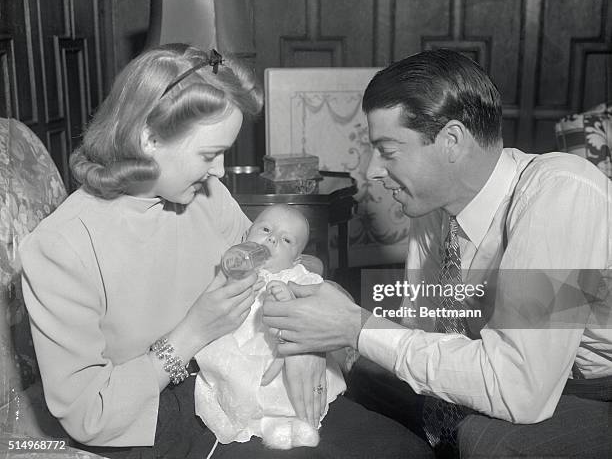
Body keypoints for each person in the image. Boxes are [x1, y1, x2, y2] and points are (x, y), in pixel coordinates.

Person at [19, 43, 432, 459]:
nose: (219, 172)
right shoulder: (60, 247)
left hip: (247, 382)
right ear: (148, 138)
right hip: (156, 425)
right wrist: (192, 333)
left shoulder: (206, 195)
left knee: (405, 450)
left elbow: (288, 265)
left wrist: (303, 342)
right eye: (209, 154)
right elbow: (91, 416)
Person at [262, 49, 612, 458]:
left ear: (451, 140)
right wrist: (334, 320)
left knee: (487, 441)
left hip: (586, 386)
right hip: (505, 366)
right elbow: (423, 336)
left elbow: (522, 391)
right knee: (356, 371)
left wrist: (355, 326)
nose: (373, 171)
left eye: (389, 151)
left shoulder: (562, 192)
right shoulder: (433, 210)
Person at [194, 204, 345, 450]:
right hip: (241, 347)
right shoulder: (235, 269)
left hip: (282, 350)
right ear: (245, 237)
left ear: (296, 259)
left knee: (290, 386)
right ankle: (266, 426)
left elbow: (323, 302)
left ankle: (299, 422)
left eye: (286, 240)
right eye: (265, 229)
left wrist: (291, 299)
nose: (273, 238)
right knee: (240, 383)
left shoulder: (298, 277)